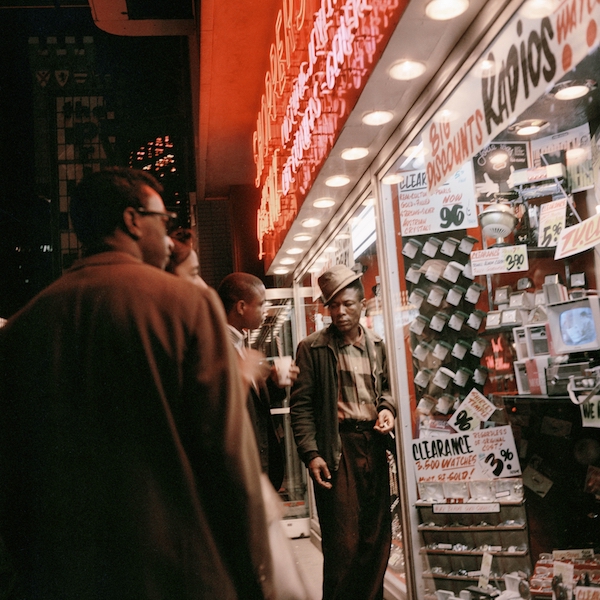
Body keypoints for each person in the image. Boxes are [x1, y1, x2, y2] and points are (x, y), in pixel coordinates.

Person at [0, 167, 274, 600]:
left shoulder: (22, 328)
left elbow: (13, 478)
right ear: (131, 220)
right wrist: (253, 570)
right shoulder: (186, 304)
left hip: (64, 578)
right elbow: (227, 456)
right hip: (178, 571)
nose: (167, 237)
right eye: (161, 220)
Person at [290, 264, 396, 600]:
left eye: (347, 304)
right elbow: (301, 406)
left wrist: (386, 410)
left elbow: (389, 391)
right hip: (338, 447)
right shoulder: (313, 348)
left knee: (377, 539)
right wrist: (311, 453)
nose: (340, 312)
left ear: (362, 304)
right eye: (333, 305)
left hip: (374, 445)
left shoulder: (378, 345)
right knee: (342, 545)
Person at [217, 272, 298, 491]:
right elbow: (222, 407)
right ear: (241, 307)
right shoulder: (217, 348)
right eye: (260, 304)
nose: (265, 311)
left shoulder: (240, 345)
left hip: (257, 470)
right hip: (240, 474)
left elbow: (252, 406)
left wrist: (273, 383)